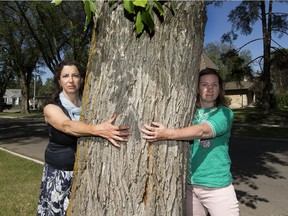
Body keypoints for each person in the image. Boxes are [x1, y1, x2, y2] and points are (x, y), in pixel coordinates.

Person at [37, 59, 130, 216]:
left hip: (85, 175)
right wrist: (97, 130)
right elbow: (67, 125)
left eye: (75, 75)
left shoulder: (91, 107)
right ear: (59, 81)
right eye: (65, 76)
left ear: (81, 79)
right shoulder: (51, 108)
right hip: (59, 176)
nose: (71, 80)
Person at [141, 68, 239, 216]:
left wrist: (167, 133)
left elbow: (203, 131)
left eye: (215, 84)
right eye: (204, 84)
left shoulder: (225, 113)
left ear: (220, 88)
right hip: (190, 186)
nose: (210, 89)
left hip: (217, 187)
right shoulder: (187, 111)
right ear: (197, 88)